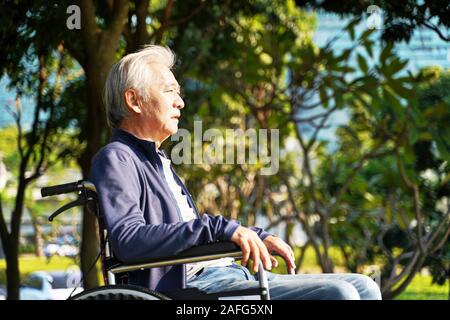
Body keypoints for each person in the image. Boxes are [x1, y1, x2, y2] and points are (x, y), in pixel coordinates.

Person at [90, 45, 382, 300]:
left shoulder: (157, 160)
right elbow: (129, 240)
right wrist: (220, 228)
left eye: (178, 92)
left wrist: (253, 234)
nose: (180, 102)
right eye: (169, 91)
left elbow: (186, 231)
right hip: (192, 288)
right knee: (340, 295)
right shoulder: (117, 158)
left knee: (365, 286)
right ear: (134, 101)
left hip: (227, 274)